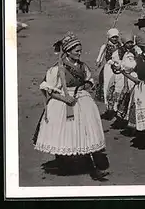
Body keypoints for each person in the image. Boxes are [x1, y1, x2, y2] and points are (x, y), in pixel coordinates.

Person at [33, 32, 109, 181]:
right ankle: (62, 164)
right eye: (76, 51)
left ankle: (93, 169)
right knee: (62, 132)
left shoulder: (82, 66)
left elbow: (88, 80)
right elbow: (49, 90)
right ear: (67, 51)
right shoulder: (57, 69)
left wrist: (85, 86)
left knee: (86, 132)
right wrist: (64, 98)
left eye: (80, 50)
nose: (79, 53)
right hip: (63, 102)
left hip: (81, 100)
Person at [107, 33, 139, 124]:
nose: (130, 44)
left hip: (134, 74)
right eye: (127, 43)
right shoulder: (119, 52)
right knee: (121, 94)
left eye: (131, 42)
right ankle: (119, 115)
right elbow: (118, 64)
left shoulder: (135, 51)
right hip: (123, 75)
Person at [95, 28, 121, 118]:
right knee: (107, 86)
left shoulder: (120, 45)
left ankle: (116, 107)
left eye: (116, 37)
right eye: (113, 37)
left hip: (118, 68)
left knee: (117, 86)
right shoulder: (105, 46)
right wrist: (98, 61)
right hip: (109, 68)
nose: (115, 39)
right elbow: (100, 57)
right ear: (109, 37)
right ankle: (108, 107)